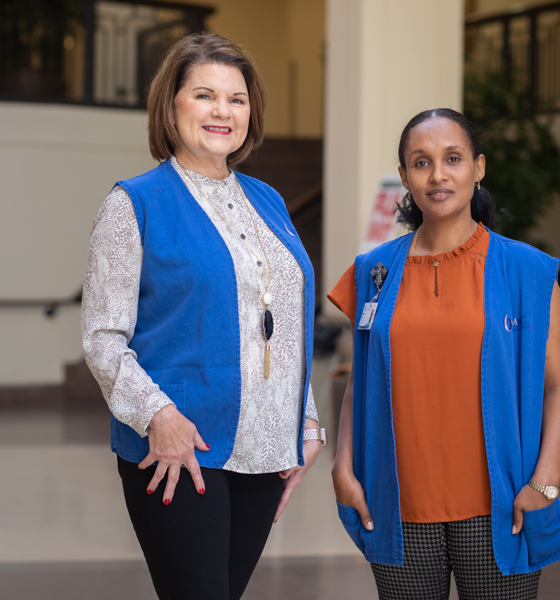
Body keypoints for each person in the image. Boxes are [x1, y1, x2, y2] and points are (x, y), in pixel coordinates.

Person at [81, 33, 325, 600]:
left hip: (265, 448)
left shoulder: (269, 200)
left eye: (236, 99)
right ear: (172, 106)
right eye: (204, 95)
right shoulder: (133, 204)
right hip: (179, 447)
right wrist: (158, 417)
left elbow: (287, 323)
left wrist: (306, 421)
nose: (222, 111)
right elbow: (102, 336)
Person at [328, 108, 560, 600]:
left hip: (502, 509)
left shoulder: (527, 271)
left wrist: (545, 482)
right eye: (421, 163)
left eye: (453, 158)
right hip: (398, 505)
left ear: (478, 168)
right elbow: (362, 383)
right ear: (404, 177)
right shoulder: (371, 273)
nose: (438, 174)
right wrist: (342, 466)